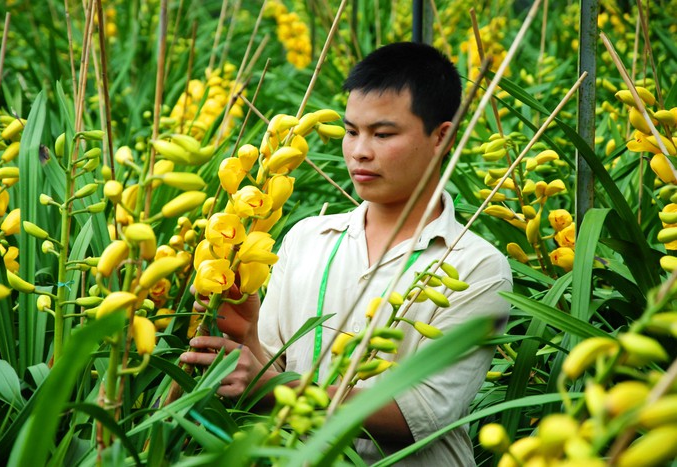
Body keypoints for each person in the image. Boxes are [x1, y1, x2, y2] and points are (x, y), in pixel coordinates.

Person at [181, 42, 512, 465]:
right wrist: (246, 338)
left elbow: (422, 415)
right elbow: (264, 373)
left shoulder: (475, 265)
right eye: (352, 131)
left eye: (383, 134)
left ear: (440, 137)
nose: (359, 151)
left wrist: (272, 389)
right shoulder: (306, 239)